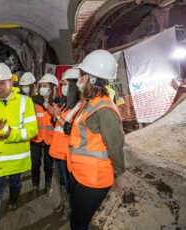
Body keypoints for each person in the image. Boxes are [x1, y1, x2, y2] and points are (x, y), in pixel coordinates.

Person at [68, 50, 126, 230]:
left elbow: (115, 145)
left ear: (92, 79)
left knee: (78, 224)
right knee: (77, 219)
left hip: (94, 179)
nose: (80, 80)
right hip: (80, 173)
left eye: (82, 76)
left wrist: (117, 171)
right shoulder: (89, 103)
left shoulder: (104, 109)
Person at [0, 63, 38, 229]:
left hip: (17, 160)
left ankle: (13, 201)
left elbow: (32, 130)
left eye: (2, 83)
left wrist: (11, 134)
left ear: (11, 82)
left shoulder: (25, 102)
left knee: (15, 184)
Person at [48, 68, 83, 220]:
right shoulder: (65, 104)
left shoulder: (80, 106)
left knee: (69, 183)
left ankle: (70, 210)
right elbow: (56, 124)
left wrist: (57, 117)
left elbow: (71, 129)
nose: (63, 87)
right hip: (57, 150)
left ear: (74, 85)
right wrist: (54, 115)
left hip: (67, 153)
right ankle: (64, 204)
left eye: (66, 83)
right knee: (62, 181)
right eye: (62, 84)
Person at [30, 73, 58, 197]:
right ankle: (35, 185)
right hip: (35, 139)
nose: (42, 88)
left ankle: (48, 185)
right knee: (35, 164)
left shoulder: (58, 103)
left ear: (52, 88)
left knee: (48, 166)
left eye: (45, 85)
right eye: (41, 85)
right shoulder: (34, 101)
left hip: (50, 140)